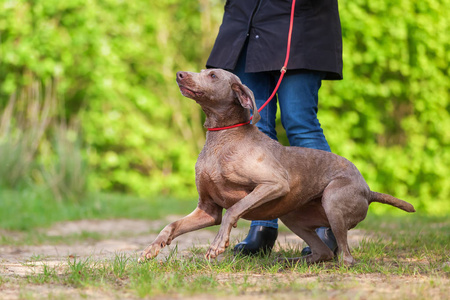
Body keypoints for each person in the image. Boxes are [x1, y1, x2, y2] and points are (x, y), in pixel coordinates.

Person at [206, 0, 342, 255]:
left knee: (301, 124)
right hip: (246, 25)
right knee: (256, 126)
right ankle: (262, 226)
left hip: (299, 25)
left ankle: (326, 223)